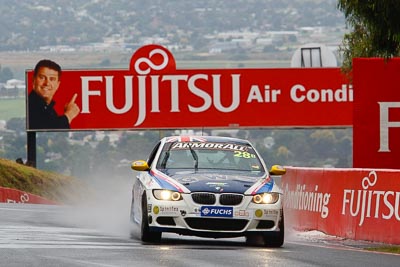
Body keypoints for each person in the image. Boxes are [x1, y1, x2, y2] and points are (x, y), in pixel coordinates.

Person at [28, 59, 80, 129]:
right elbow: (48, 128)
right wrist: (69, 115)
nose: (47, 83)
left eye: (52, 79)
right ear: (33, 80)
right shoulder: (29, 105)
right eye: (42, 77)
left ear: (58, 85)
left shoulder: (49, 109)